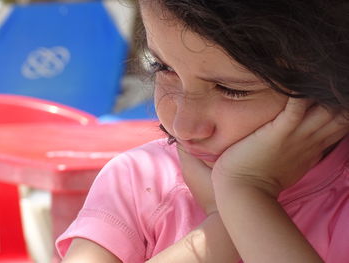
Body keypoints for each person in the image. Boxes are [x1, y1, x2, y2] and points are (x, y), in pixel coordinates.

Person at [56, 0, 349, 262]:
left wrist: (244, 193)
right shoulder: (135, 180)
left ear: (334, 95)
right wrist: (225, 219)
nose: (183, 126)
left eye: (232, 89)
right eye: (163, 67)